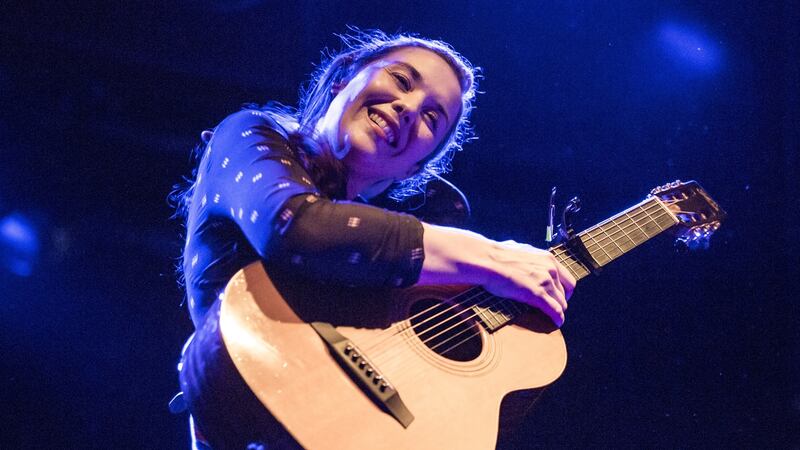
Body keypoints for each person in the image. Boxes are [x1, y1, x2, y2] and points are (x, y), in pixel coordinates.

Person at [172, 29, 575, 449]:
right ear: (342, 80)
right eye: (401, 80)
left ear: (414, 168)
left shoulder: (386, 261)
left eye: (431, 118)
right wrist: (491, 258)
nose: (408, 108)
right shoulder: (249, 133)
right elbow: (295, 226)